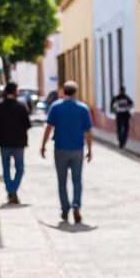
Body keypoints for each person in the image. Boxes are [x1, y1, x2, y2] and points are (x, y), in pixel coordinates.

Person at [40, 80, 92, 222]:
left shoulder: (55, 107)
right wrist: (90, 149)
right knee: (77, 179)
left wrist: (43, 145)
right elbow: (87, 131)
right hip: (77, 149)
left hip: (60, 148)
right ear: (76, 92)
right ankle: (76, 204)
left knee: (62, 180)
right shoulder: (83, 108)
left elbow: (49, 127)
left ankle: (64, 208)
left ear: (63, 91)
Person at [0, 81, 30, 205]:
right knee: (20, 168)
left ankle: (10, 190)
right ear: (16, 92)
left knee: (6, 168)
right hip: (19, 143)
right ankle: (12, 189)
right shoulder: (22, 106)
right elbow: (28, 124)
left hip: (3, 142)